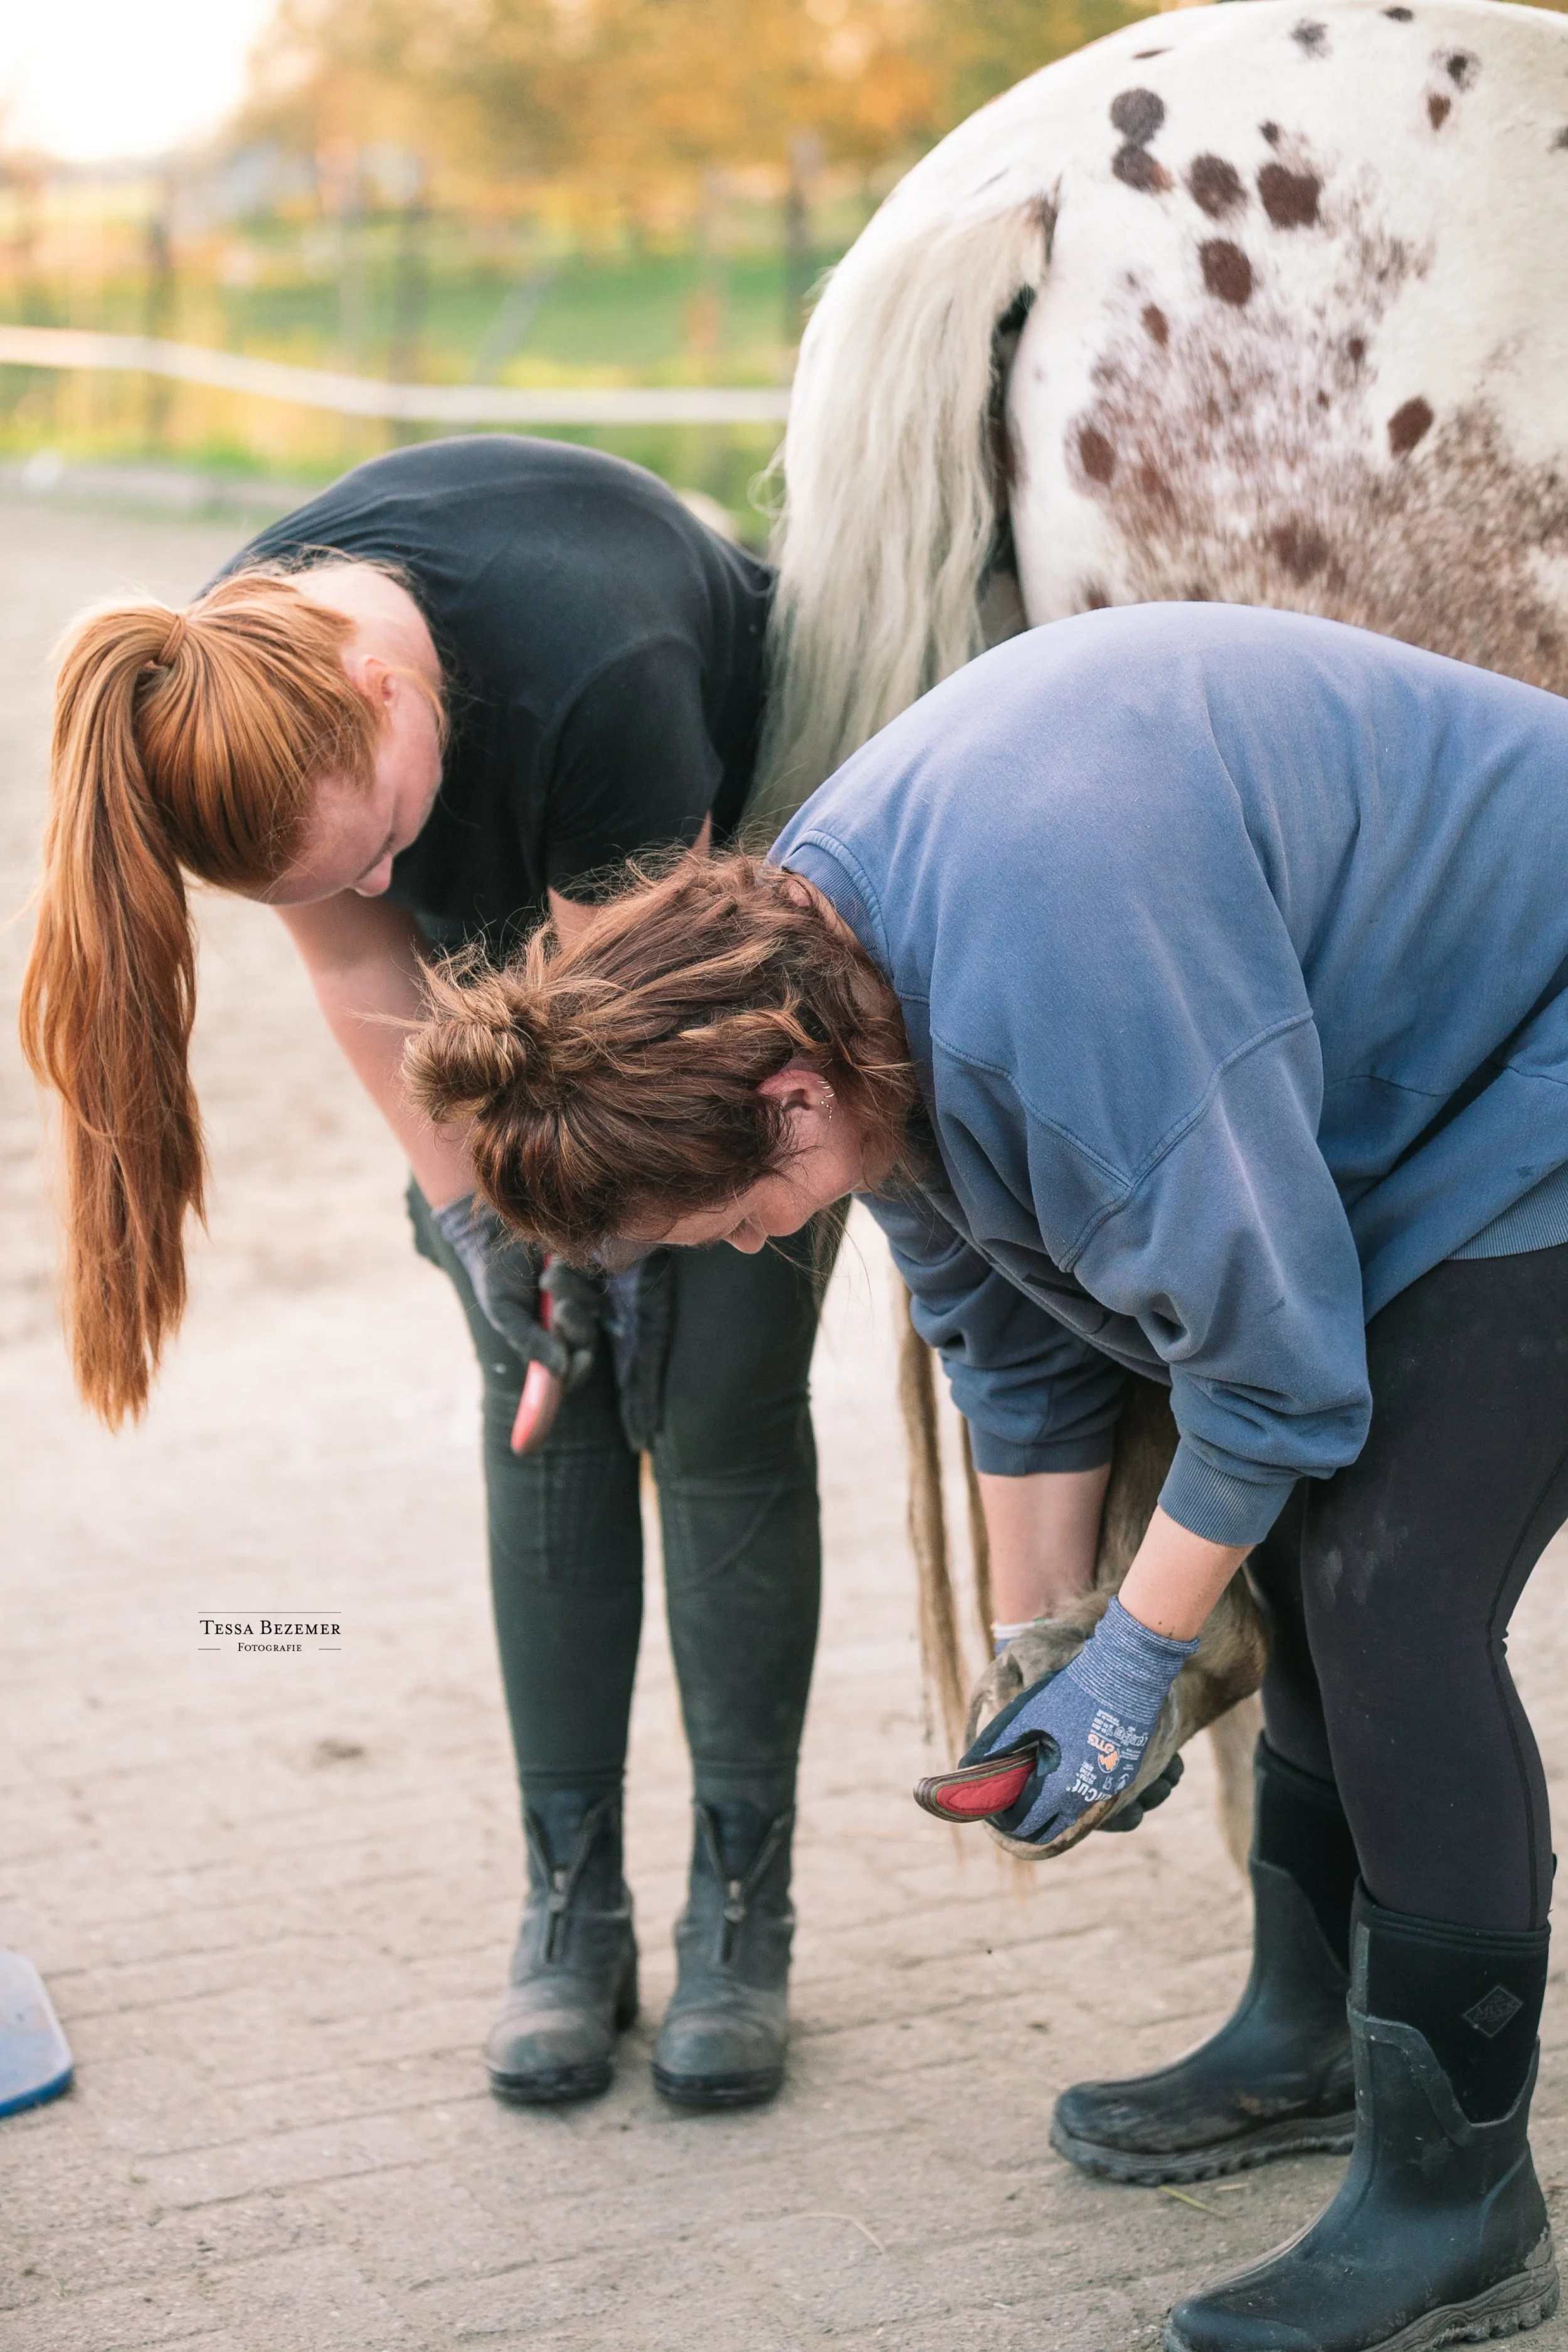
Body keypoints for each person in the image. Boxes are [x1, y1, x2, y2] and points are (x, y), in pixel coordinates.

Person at [401, 600, 1568, 2352]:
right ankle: (1314, 2031)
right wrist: (1052, 1637)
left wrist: (1137, 1662)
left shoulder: (1049, 971)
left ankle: (1455, 2196)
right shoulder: (793, 969)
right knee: (1307, 1549)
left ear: (785, 1106)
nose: (746, 1242)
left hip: (1538, 1042)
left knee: (1388, 1588)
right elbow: (998, 1322)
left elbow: (1270, 1368)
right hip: (1428, 1069)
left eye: (728, 1219)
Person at [20, 433, 839, 2112]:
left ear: (386, 685)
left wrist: (613, 1232)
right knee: (545, 1384)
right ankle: (571, 1903)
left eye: (382, 831)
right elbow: (361, 953)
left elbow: (636, 1036)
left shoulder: (600, 666)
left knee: (713, 1387)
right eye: (333, 869)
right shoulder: (230, 702)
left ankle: (741, 1909)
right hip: (511, 989)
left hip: (707, 955)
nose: (380, 876)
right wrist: (483, 1223)